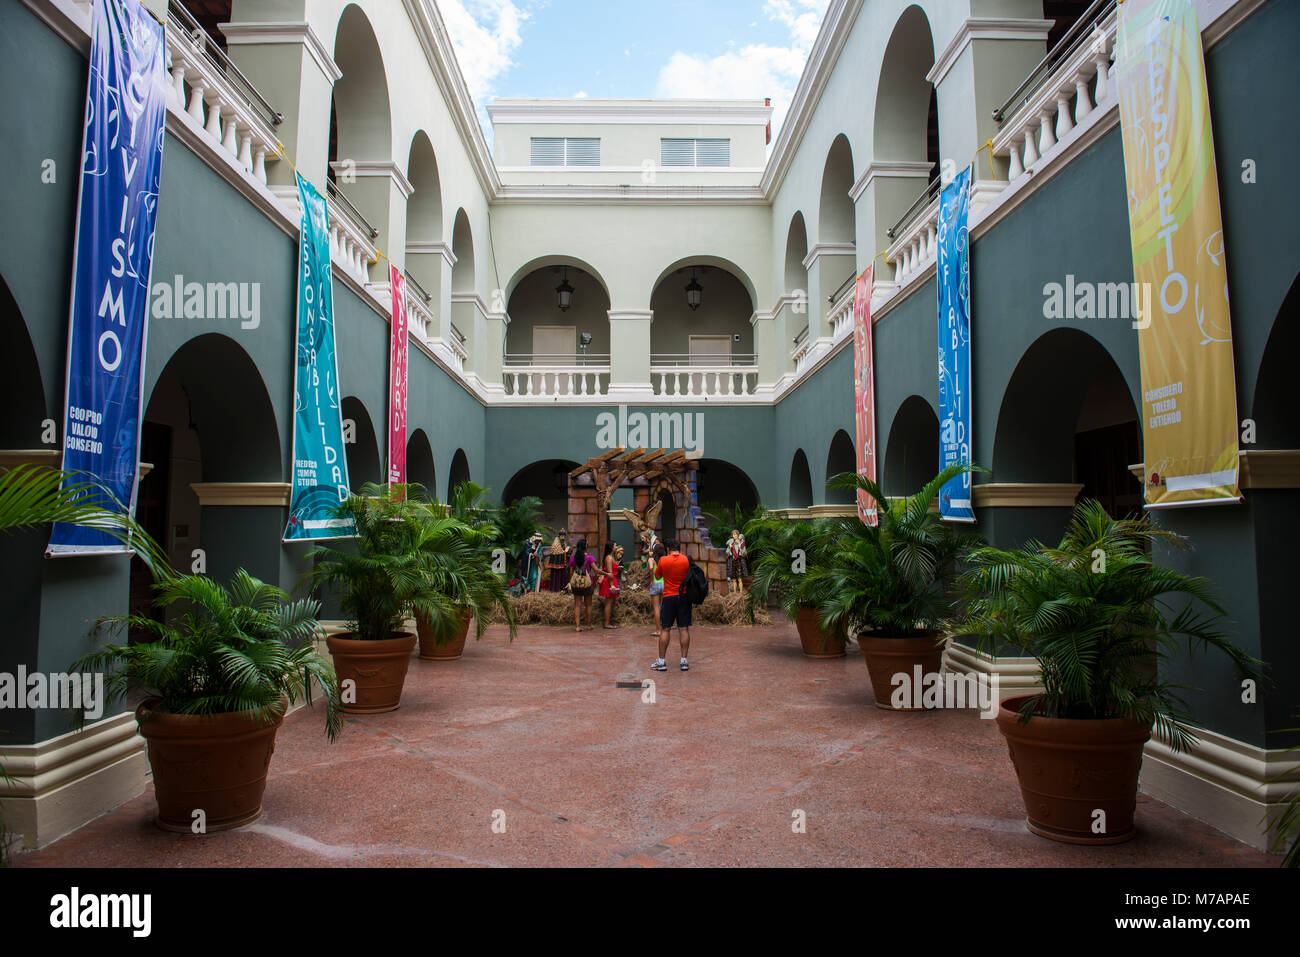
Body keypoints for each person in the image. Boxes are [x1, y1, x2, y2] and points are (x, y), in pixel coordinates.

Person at [651, 539, 691, 672]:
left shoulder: (663, 560)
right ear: (680, 549)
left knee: (665, 629)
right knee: (683, 629)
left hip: (668, 597)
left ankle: (661, 662)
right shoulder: (686, 560)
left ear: (668, 549)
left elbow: (657, 576)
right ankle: (684, 661)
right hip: (683, 597)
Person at [568, 538, 602, 632]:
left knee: (577, 605)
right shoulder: (589, 558)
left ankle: (577, 626)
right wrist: (606, 574)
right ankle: (589, 625)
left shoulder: (573, 559)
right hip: (587, 583)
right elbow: (596, 570)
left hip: (576, 584)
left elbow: (570, 572)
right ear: (586, 547)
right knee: (589, 605)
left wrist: (571, 582)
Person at [599, 540, 621, 629]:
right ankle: (606, 623)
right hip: (610, 581)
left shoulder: (611, 557)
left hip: (612, 580)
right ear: (612, 548)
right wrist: (612, 585)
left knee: (611, 602)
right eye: (615, 546)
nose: (617, 547)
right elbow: (609, 573)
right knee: (608, 603)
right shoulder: (609, 558)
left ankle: (608, 622)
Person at [647, 541, 666, 637]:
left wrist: (652, 579)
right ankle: (664, 628)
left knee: (656, 607)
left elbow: (651, 568)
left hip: (655, 583)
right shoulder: (665, 559)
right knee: (663, 607)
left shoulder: (652, 560)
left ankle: (658, 630)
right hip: (664, 584)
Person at [726, 529, 748, 595]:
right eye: (733, 534)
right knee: (734, 579)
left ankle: (741, 593)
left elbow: (745, 553)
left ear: (738, 535)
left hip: (739, 561)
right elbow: (727, 553)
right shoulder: (731, 543)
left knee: (739, 578)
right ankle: (735, 593)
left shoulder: (741, 544)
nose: (733, 535)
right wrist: (730, 548)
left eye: (735, 534)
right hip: (733, 562)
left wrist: (740, 548)